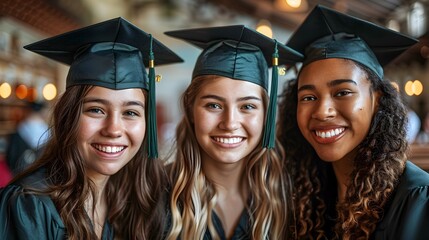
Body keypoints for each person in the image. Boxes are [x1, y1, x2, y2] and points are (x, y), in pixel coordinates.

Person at [0, 17, 182, 240]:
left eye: (130, 113)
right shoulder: (27, 205)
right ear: (68, 117)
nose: (114, 129)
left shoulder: (134, 199)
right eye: (96, 110)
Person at [278, 5, 429, 240]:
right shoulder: (305, 193)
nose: (323, 111)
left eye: (342, 92)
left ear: (377, 100)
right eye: (308, 97)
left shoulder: (417, 199)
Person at [164, 25, 303, 239]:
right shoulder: (156, 193)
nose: (230, 123)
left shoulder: (290, 196)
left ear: (266, 115)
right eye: (214, 105)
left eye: (247, 107)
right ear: (191, 110)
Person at [6, 101, 49, 175]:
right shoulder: (47, 130)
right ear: (42, 112)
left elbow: (11, 157)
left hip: (20, 174)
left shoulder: (20, 129)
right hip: (41, 175)